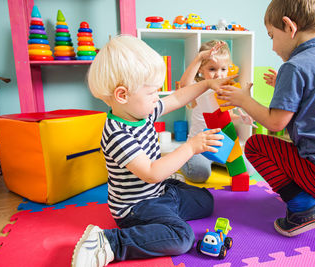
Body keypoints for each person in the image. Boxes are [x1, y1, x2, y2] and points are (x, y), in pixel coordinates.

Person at [216, 0, 315, 237]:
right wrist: (279, 84)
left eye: (272, 36)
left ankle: (303, 210)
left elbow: (274, 123)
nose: (272, 47)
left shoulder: (294, 67)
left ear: (289, 27)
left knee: (255, 145)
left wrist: (243, 100)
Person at [71, 35, 236, 266]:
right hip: (135, 207)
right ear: (122, 95)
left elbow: (178, 97)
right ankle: (109, 242)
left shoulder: (142, 112)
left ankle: (163, 219)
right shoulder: (117, 134)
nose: (156, 98)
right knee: (182, 238)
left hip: (159, 191)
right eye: (151, 93)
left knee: (206, 201)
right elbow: (151, 173)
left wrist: (208, 84)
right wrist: (190, 146)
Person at [179, 40, 256, 183]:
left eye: (223, 69)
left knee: (248, 170)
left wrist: (241, 119)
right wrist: (199, 57)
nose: (219, 75)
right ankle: (181, 157)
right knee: (199, 174)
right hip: (199, 146)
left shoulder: (228, 89)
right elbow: (184, 85)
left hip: (222, 144)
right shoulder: (199, 87)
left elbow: (228, 117)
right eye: (212, 69)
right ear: (201, 69)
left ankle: (217, 162)